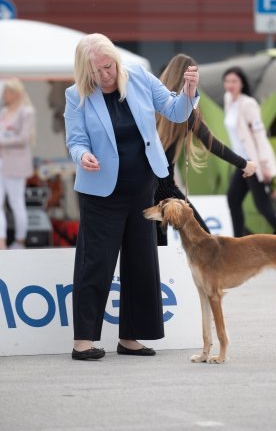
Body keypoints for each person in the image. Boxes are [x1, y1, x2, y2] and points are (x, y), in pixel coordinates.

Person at [63, 33, 199, 361]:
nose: (105, 75)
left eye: (108, 67)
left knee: (141, 263)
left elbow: (175, 111)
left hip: (142, 188)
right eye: (96, 71)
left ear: (116, 62)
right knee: (94, 263)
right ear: (85, 71)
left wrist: (189, 92)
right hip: (100, 193)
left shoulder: (138, 76)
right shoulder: (75, 95)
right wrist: (83, 157)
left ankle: (130, 338)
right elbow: (76, 140)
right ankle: (83, 340)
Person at [155, 54, 257, 244]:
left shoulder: (152, 104)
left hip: (146, 185)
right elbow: (212, 143)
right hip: (165, 187)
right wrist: (243, 163)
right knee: (203, 240)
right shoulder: (186, 111)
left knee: (157, 245)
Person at [222, 66, 276, 237]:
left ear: (242, 83)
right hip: (241, 162)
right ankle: (238, 240)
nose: (230, 85)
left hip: (254, 162)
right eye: (227, 81)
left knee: (262, 205)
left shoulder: (248, 104)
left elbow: (260, 136)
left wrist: (264, 165)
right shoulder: (228, 100)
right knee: (233, 199)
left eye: (234, 81)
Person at [0, 78, 35, 250]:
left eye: (6, 91)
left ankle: (20, 241)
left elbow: (23, 138)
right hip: (1, 162)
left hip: (16, 164)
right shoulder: (3, 111)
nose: (3, 95)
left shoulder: (26, 112)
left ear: (15, 93)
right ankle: (2, 242)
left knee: (16, 202)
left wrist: (2, 141)